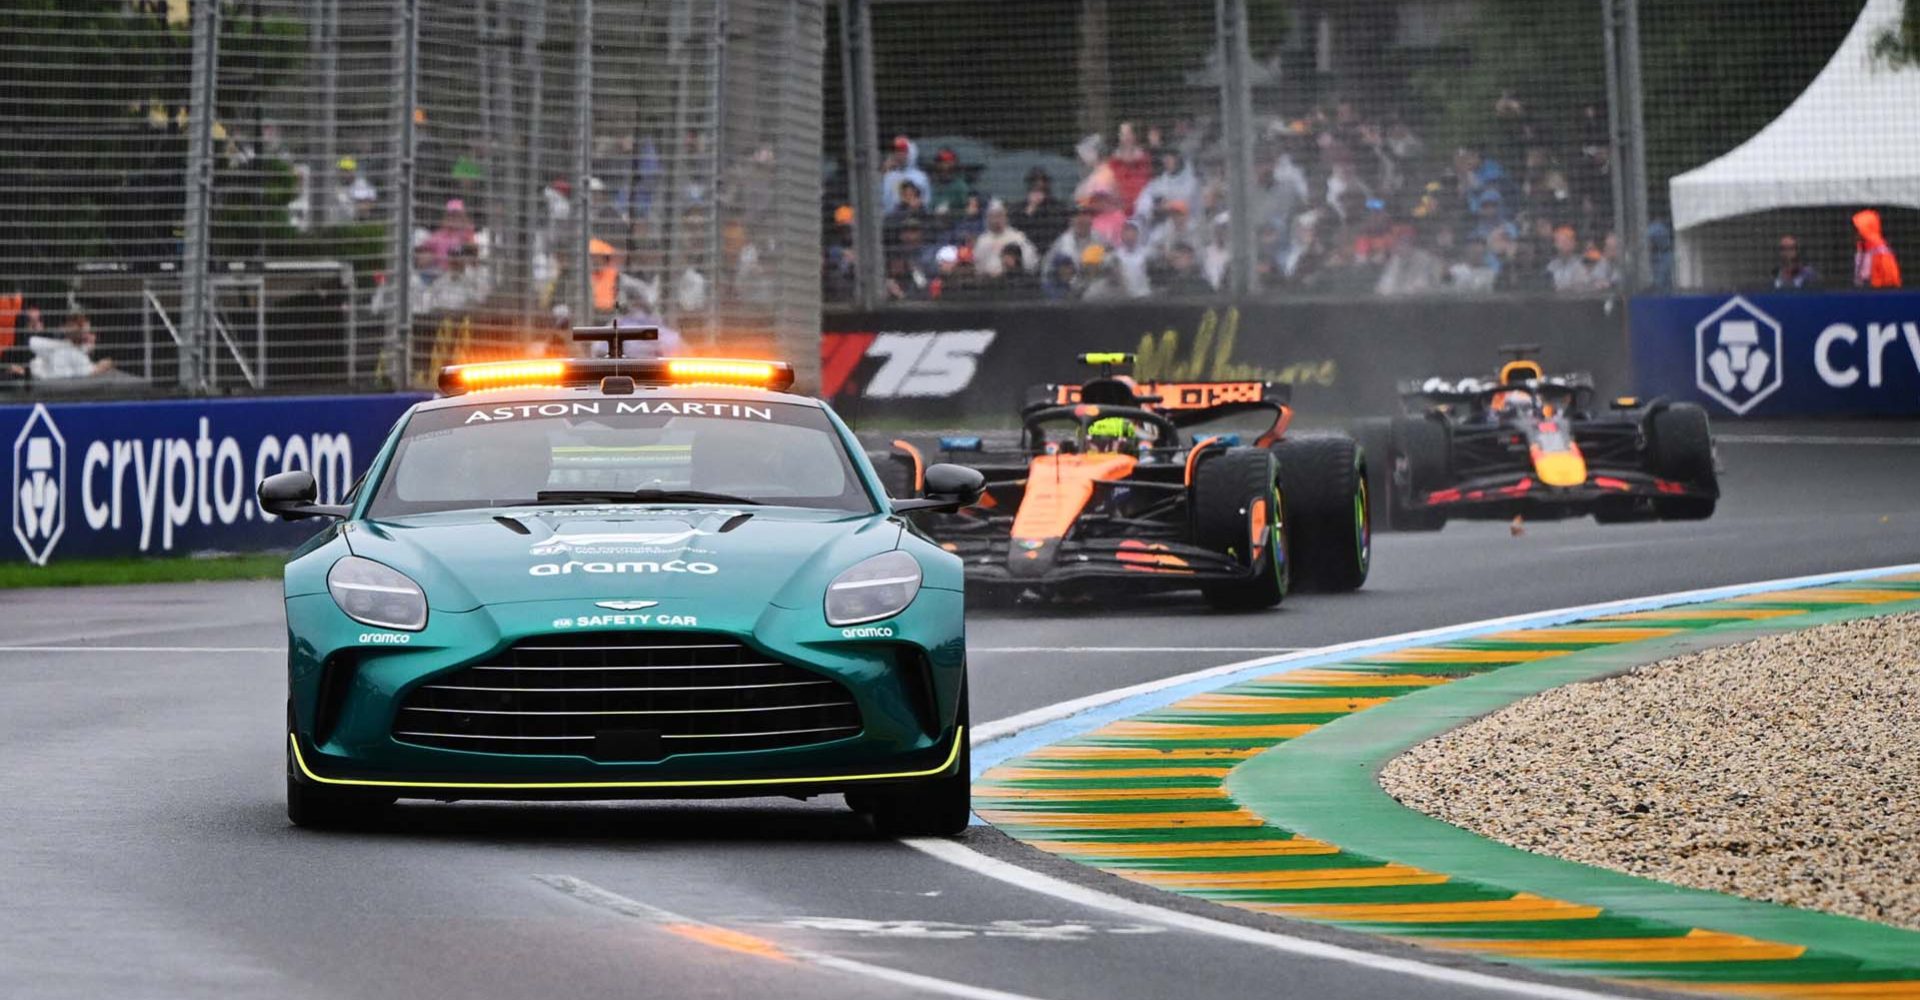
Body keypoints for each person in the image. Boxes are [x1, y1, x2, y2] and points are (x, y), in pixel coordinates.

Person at [29, 311, 117, 380]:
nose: (91, 336)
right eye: (87, 333)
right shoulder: (75, 354)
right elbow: (91, 372)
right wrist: (107, 364)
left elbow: (32, 342)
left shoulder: (61, 346)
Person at [972, 200, 1038, 277]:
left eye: (999, 216)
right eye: (992, 216)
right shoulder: (982, 241)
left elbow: (1031, 263)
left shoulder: (1017, 237)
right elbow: (977, 266)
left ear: (1005, 217)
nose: (995, 220)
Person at [1012, 167, 1070, 254]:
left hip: (1052, 253)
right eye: (1035, 183)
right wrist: (1030, 210)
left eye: (1043, 182)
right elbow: (1016, 233)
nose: (1039, 185)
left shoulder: (1058, 207)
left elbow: (1060, 231)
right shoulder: (1019, 209)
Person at [878, 135, 929, 214]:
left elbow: (926, 202)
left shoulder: (920, 177)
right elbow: (879, 200)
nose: (899, 154)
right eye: (897, 151)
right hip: (890, 221)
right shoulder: (888, 176)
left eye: (902, 151)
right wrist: (882, 173)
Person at [1853, 210, 1902, 289]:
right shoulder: (1861, 248)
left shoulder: (1881, 252)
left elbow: (1890, 282)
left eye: (1858, 229)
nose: (1855, 233)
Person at [1110, 221, 1153, 298]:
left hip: (1144, 296)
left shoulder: (1147, 253)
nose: (1130, 236)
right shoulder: (1116, 255)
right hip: (1123, 299)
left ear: (1137, 234)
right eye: (1127, 232)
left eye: (1133, 232)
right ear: (1122, 235)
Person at [927, 147, 971, 219]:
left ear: (954, 164)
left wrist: (949, 212)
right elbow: (928, 207)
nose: (944, 165)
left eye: (947, 162)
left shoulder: (960, 186)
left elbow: (967, 211)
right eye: (941, 162)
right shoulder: (932, 184)